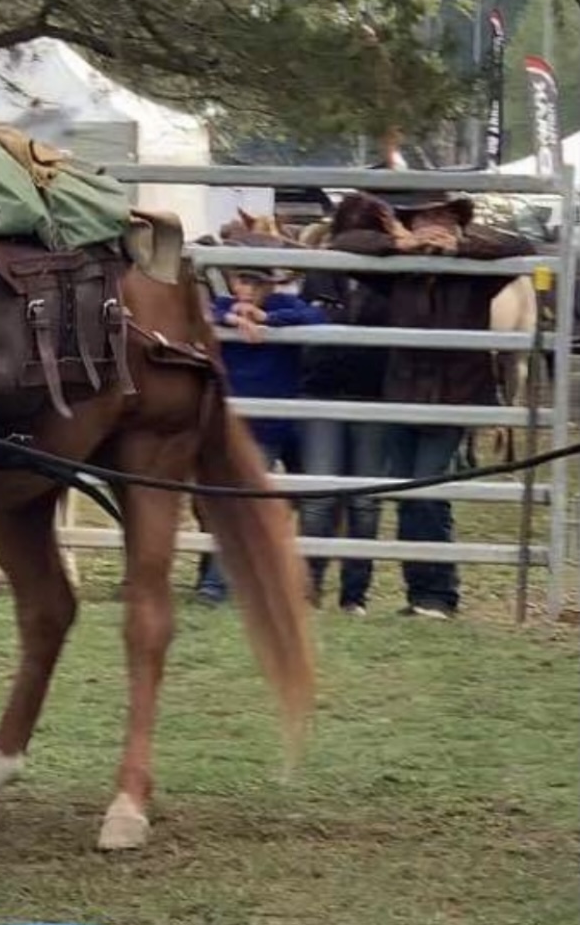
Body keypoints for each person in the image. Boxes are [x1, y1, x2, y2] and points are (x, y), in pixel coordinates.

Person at [327, 191, 534, 619]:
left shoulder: (476, 272)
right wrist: (397, 245)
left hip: (455, 396)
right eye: (423, 218)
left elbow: (521, 245)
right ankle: (422, 594)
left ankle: (439, 593)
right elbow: (343, 245)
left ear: (458, 222)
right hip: (403, 394)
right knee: (409, 494)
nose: (433, 224)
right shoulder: (399, 270)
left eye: (442, 216)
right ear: (410, 226)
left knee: (428, 490)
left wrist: (461, 247)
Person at [196, 265, 326, 605]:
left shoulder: (285, 306)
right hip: (240, 424)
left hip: (277, 423)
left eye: (257, 282)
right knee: (240, 503)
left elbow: (316, 319)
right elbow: (202, 315)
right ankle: (217, 584)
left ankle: (299, 583)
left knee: (313, 501)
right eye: (243, 280)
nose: (249, 289)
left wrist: (268, 320)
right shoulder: (223, 305)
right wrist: (230, 319)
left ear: (270, 285)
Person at [296, 263, 392, 616]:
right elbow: (300, 318)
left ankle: (354, 595)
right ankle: (308, 590)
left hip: (373, 395)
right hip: (321, 391)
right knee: (317, 498)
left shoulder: (388, 276)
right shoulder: (319, 275)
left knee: (365, 502)